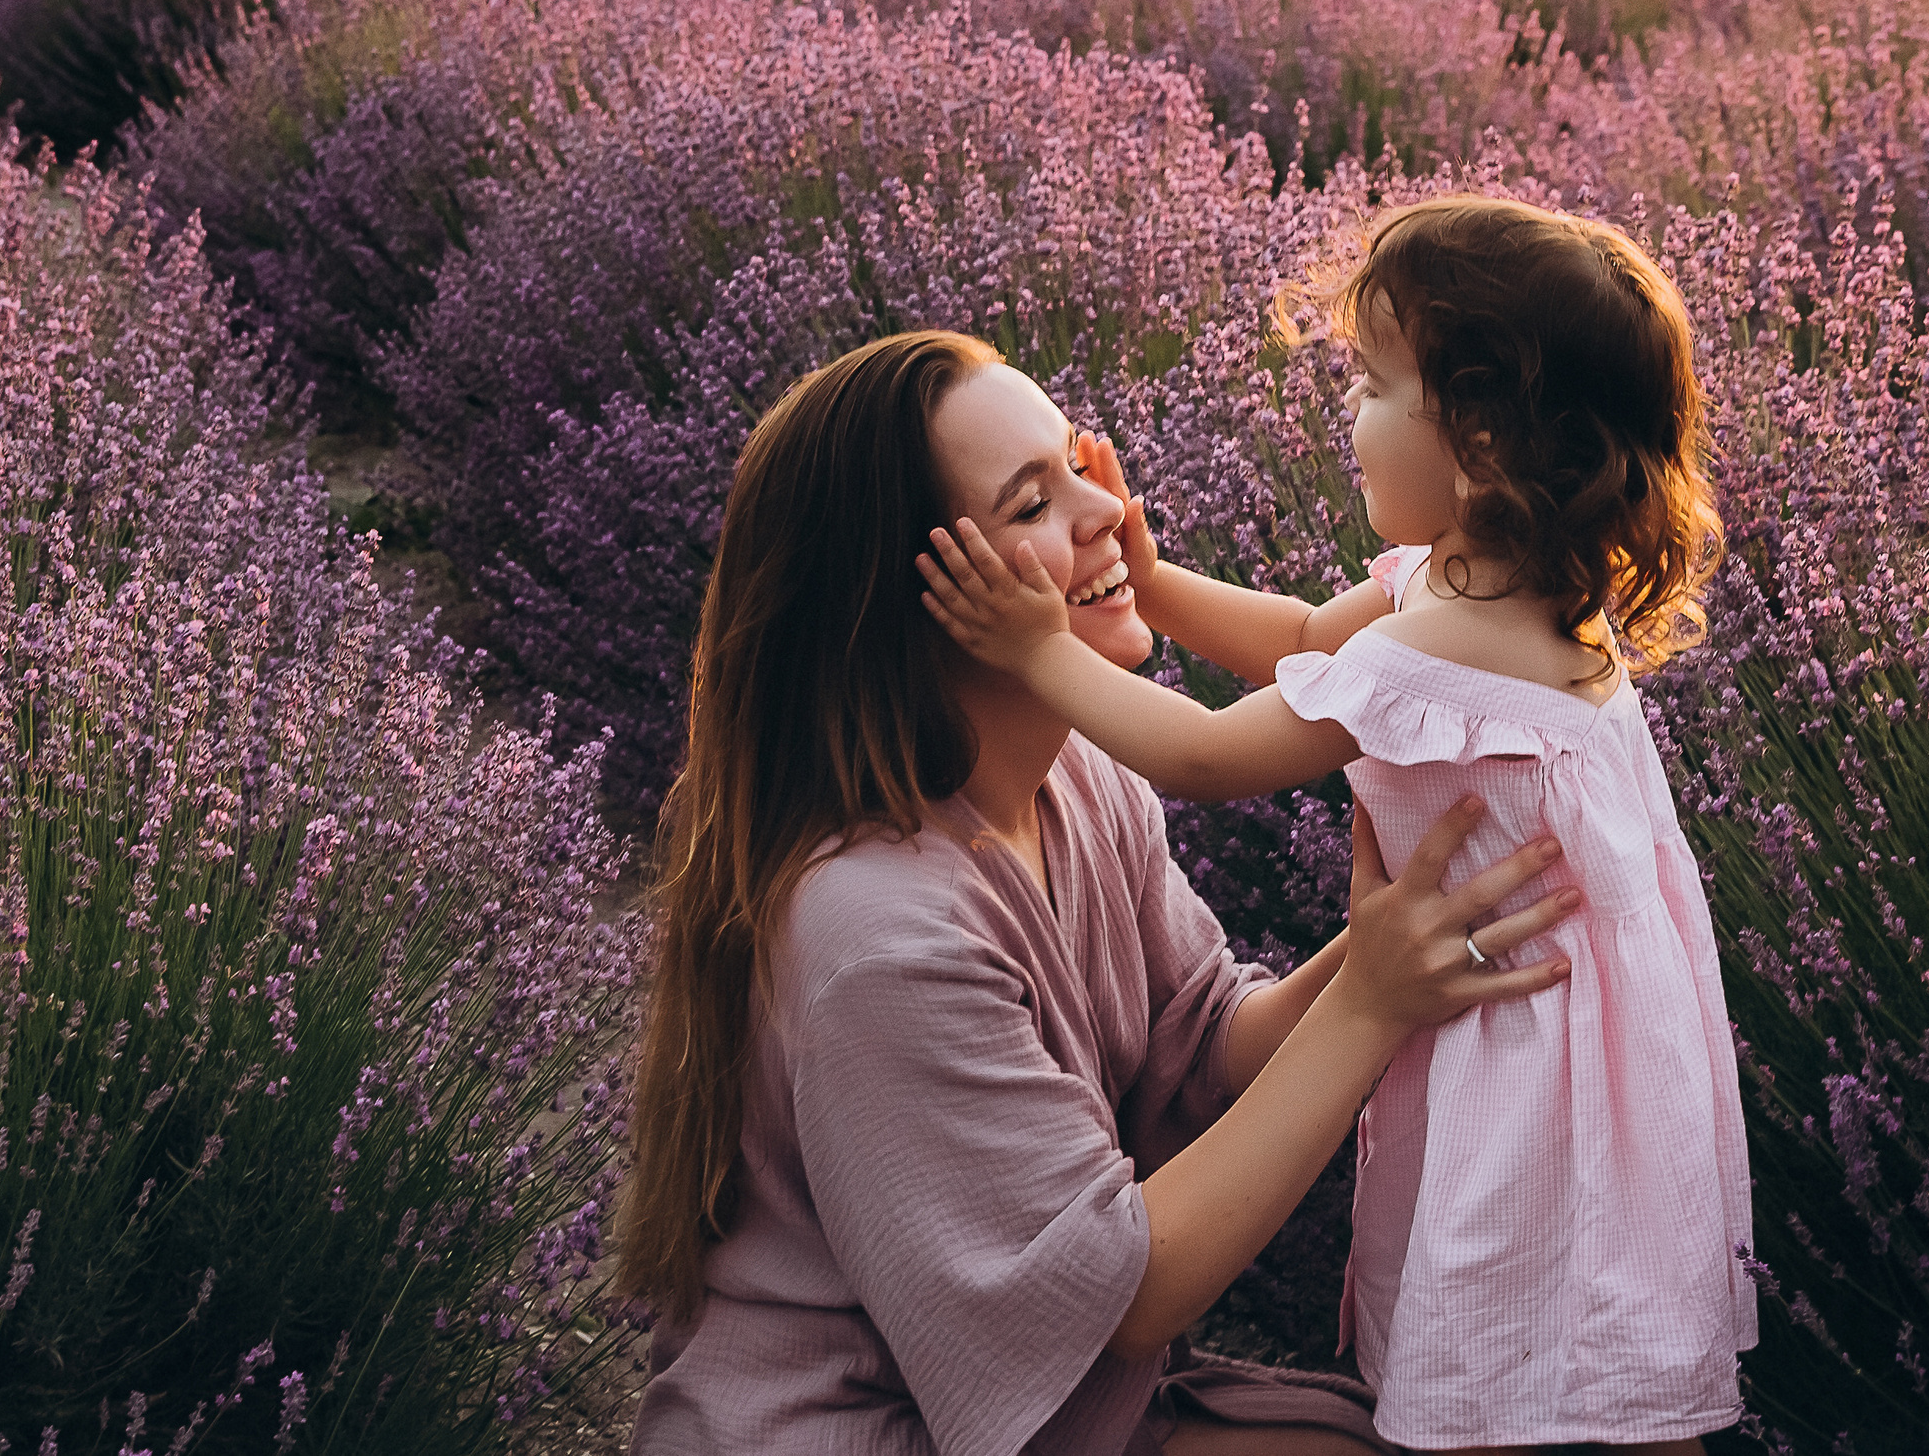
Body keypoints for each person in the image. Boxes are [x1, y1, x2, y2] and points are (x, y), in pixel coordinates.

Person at [618, 328, 1581, 1456]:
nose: (1106, 513)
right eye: (1032, 504)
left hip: (1065, 1412)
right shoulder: (881, 934)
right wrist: (1371, 1001)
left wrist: (1392, 941)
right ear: (904, 598)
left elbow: (1206, 1040)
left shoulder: (1079, 777)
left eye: (1080, 465)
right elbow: (1123, 1294)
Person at [918, 196, 1758, 1455]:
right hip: (1566, 1035)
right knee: (1599, 1370)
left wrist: (1041, 647)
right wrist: (1146, 581)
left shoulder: (1450, 643)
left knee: (1526, 1359)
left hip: (1526, 1063)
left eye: (1370, 386)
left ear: (1477, 438)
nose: (1345, 416)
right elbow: (1307, 639)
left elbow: (1203, 755)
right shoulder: (1487, 593)